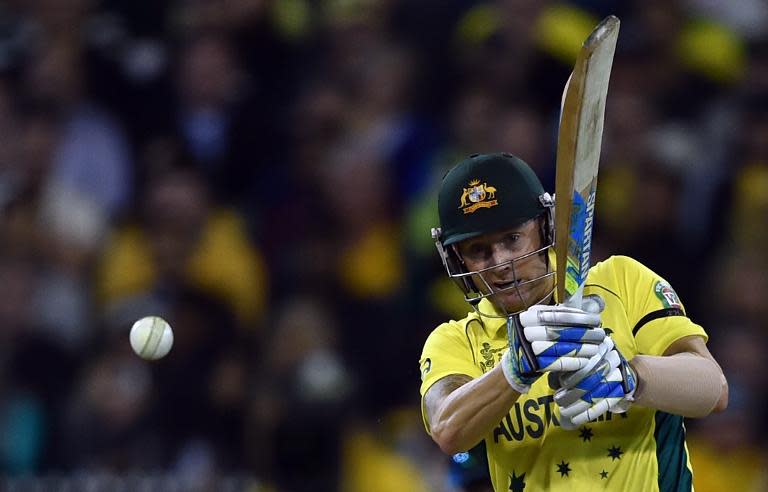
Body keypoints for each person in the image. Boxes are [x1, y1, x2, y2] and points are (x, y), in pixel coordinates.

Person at [419, 153, 729, 491]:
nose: (500, 263)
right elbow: (447, 429)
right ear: (456, 258)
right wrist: (512, 370)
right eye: (478, 250)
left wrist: (631, 376)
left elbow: (714, 389)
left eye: (512, 239)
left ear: (544, 226)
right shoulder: (457, 340)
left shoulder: (620, 280)